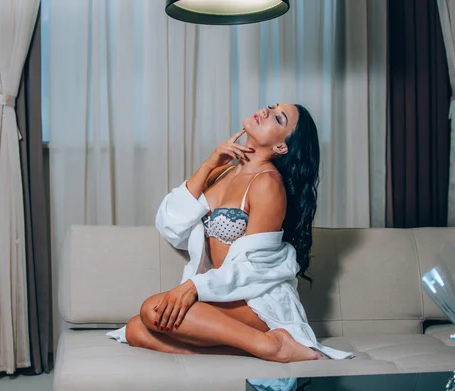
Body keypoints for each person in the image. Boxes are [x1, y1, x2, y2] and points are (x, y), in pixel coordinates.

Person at [107, 104, 352, 363]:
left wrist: (194, 286)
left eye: (278, 118)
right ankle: (263, 348)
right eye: (271, 107)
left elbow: (254, 267)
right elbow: (171, 226)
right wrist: (208, 164)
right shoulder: (224, 170)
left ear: (281, 147)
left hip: (254, 298)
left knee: (151, 310)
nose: (266, 111)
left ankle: (271, 346)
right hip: (220, 294)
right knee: (135, 330)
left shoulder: (267, 184)